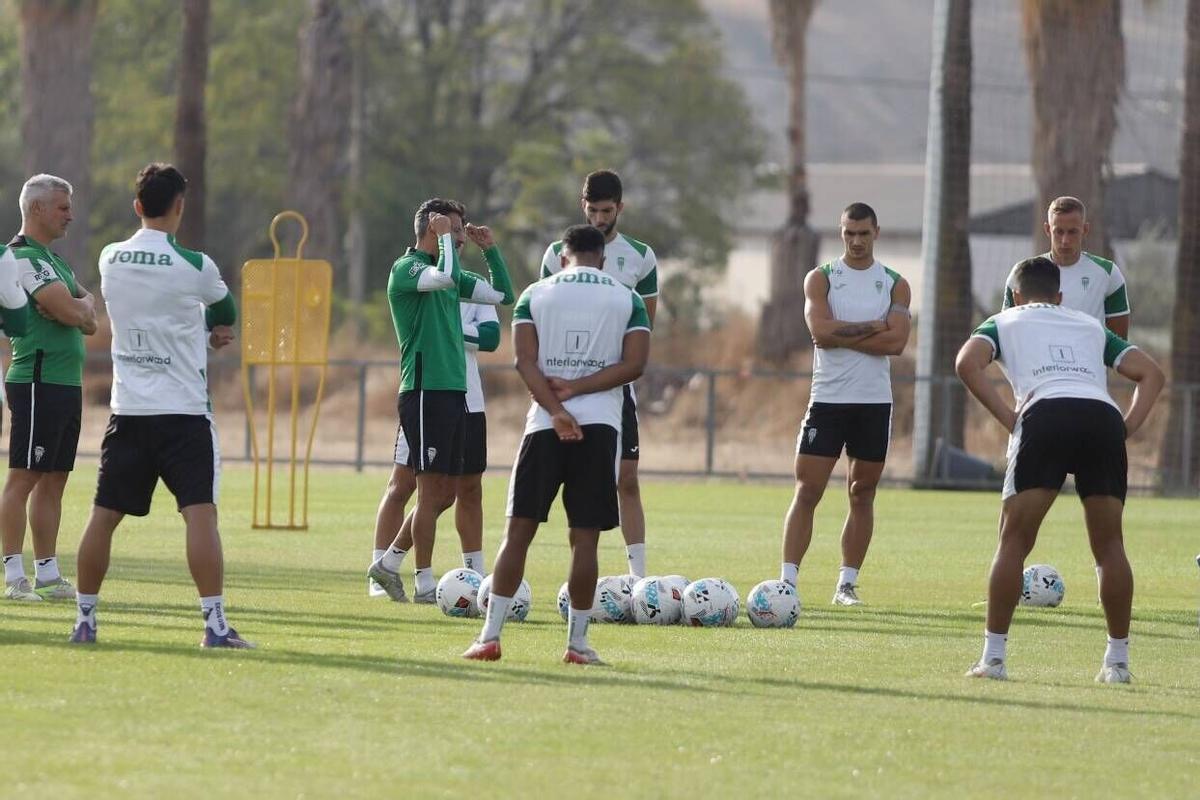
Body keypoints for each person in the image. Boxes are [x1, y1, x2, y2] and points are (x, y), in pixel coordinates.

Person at [957, 256, 1163, 683]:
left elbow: (966, 362)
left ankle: (993, 660)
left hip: (1045, 413)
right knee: (1109, 545)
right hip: (1101, 417)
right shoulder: (1089, 325)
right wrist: (1125, 427)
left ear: (1016, 296)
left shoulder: (1003, 320)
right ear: (1060, 296)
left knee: (1013, 541)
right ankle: (1117, 664)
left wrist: (1009, 418)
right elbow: (1151, 374)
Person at [69, 162, 248, 647]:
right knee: (200, 515)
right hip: (184, 412)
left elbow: (155, 309)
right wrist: (211, 329)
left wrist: (195, 326)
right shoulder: (195, 264)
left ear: (137, 206)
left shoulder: (110, 258)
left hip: (128, 411)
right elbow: (225, 310)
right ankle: (214, 627)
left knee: (103, 515)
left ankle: (84, 621)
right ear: (180, 207)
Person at [463, 224, 650, 664]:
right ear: (603, 259)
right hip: (600, 425)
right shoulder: (628, 298)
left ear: (563, 258)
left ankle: (489, 637)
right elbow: (635, 365)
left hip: (543, 425)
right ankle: (577, 645)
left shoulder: (535, 294)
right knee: (584, 540)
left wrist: (557, 410)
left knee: (518, 534)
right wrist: (579, 390)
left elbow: (523, 361)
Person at [368, 199, 513, 603]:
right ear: (434, 228)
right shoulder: (407, 268)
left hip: (454, 392)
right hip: (424, 390)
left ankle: (389, 564)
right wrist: (446, 239)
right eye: (456, 229)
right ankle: (424, 584)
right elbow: (445, 275)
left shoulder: (453, 274)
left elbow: (503, 294)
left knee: (448, 493)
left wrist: (491, 250)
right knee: (427, 492)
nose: (462, 235)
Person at [779, 202, 911, 607]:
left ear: (876, 233)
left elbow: (897, 342)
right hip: (828, 400)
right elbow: (820, 333)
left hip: (873, 403)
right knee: (808, 490)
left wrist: (844, 334)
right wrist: (874, 326)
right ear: (841, 233)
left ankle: (846, 585)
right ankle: (787, 583)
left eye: (863, 233)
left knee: (862, 492)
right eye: (849, 233)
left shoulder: (894, 284)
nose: (856, 241)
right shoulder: (821, 279)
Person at [1002, 196, 1132, 596]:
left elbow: (1119, 342)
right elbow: (1008, 334)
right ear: (1047, 229)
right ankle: (1008, 586)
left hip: (1088, 402)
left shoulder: (1106, 274)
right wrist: (1018, 404)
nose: (1065, 239)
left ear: (1085, 230)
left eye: (1072, 231)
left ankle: (1103, 593)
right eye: (1058, 231)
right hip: (1038, 406)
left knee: (1104, 526)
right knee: (1014, 512)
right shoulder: (1025, 274)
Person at [539, 170, 657, 579]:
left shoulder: (640, 255)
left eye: (607, 211)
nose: (599, 219)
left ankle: (638, 579)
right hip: (562, 387)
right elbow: (542, 318)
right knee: (550, 483)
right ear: (582, 206)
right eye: (592, 210)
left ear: (620, 207)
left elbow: (644, 327)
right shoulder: (556, 254)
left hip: (614, 388)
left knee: (627, 479)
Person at [2, 174, 97, 603]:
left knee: (54, 480)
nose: (70, 215)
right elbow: (71, 311)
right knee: (23, 477)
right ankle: (13, 576)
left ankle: (48, 574)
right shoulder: (22, 257)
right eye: (62, 207)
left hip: (65, 384)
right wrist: (73, 308)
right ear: (37, 208)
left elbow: (89, 316)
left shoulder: (55, 261)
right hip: (37, 381)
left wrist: (79, 306)